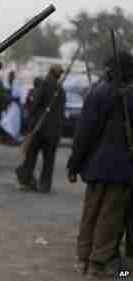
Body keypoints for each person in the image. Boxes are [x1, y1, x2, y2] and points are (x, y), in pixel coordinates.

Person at [67, 51, 133, 279]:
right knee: (110, 218)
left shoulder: (98, 92)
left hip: (95, 165)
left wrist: (73, 165)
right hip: (123, 169)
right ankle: (97, 264)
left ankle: (83, 259)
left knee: (91, 213)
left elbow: (83, 133)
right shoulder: (128, 95)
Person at [15, 64, 65, 192]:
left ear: (50, 72)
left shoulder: (44, 85)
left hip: (39, 128)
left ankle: (26, 181)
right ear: (59, 75)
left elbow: (35, 104)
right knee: (49, 160)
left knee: (31, 156)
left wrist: (29, 122)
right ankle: (45, 185)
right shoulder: (60, 89)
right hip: (53, 131)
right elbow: (61, 112)